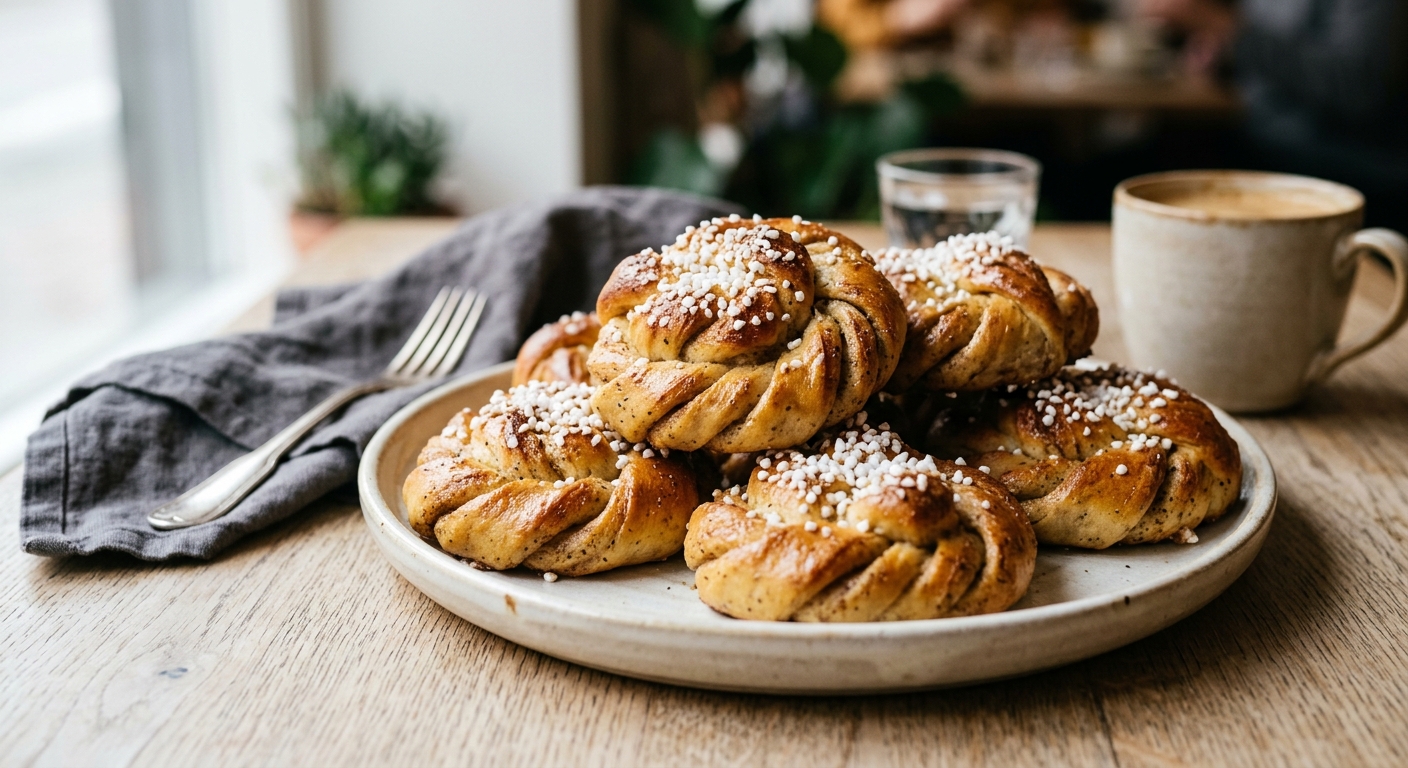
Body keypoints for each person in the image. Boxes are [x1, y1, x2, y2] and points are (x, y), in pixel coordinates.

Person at [1142, 0, 1408, 230]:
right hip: (1256, 141)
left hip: (1332, 164)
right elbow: (1272, 56)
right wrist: (1222, 55)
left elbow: (1359, 89)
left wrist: (1229, 29)